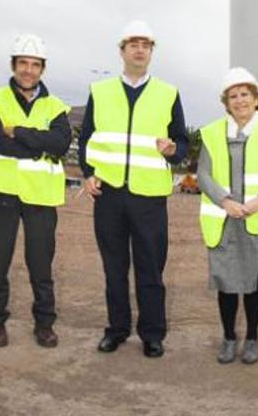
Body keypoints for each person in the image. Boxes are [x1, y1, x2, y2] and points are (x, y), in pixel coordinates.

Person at [77, 20, 188, 358]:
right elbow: (86, 139)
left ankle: (152, 334)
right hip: (109, 193)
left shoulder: (168, 93)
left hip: (149, 197)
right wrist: (88, 173)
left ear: (151, 52)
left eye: (146, 44)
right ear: (122, 50)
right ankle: (117, 329)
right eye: (133, 44)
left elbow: (182, 144)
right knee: (114, 268)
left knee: (150, 268)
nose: (140, 49)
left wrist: (172, 150)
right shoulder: (101, 91)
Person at [0, 34, 71, 349]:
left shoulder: (56, 107)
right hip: (2, 192)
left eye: (35, 65)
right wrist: (39, 145)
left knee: (41, 264)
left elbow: (60, 143)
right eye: (23, 64)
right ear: (13, 65)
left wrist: (18, 132)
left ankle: (44, 324)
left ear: (42, 69)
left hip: (42, 196)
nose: (28, 71)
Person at [197, 67, 258, 364]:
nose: (239, 101)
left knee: (253, 283)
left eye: (245, 94)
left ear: (256, 98)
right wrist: (224, 201)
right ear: (226, 102)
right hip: (225, 221)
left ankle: (251, 337)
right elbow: (203, 173)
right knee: (227, 283)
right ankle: (228, 337)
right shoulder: (212, 133)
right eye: (233, 96)